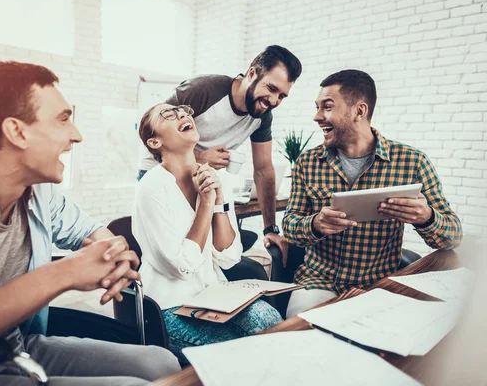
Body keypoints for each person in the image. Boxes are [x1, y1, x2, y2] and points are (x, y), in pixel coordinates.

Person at [0, 61, 180, 386]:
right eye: (63, 119)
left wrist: (113, 254)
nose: (77, 135)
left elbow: (89, 231)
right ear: (17, 131)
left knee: (161, 363)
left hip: (16, 348)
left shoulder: (36, 190)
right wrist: (66, 272)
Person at [281, 69, 463, 318]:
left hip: (377, 286)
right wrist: (315, 223)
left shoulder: (413, 162)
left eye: (327, 107)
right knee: (296, 338)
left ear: (359, 111)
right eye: (317, 107)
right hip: (317, 283)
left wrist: (427, 217)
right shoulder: (308, 162)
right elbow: (290, 225)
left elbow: (452, 237)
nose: (317, 116)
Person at [133, 103, 283, 366]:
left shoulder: (215, 178)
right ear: (154, 141)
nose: (182, 114)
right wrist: (206, 203)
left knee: (272, 324)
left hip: (214, 294)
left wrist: (219, 200)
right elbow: (181, 266)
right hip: (169, 307)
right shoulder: (151, 187)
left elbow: (228, 256)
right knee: (240, 357)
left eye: (183, 111)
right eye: (168, 114)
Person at [137, 45, 302, 259]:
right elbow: (152, 131)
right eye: (271, 88)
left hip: (201, 180)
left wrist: (270, 229)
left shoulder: (262, 117)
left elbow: (263, 170)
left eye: (282, 96)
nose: (274, 101)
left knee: (204, 253)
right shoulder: (203, 90)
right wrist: (200, 157)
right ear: (251, 74)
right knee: (167, 252)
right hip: (161, 172)